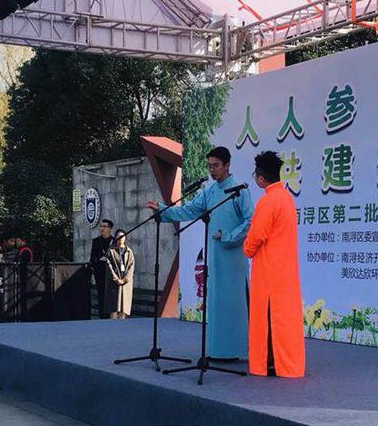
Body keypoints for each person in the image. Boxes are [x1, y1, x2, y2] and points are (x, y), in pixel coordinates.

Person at [148, 145, 254, 360]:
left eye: (216, 165)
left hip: (233, 259)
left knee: (233, 306)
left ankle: (235, 351)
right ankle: (217, 351)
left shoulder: (239, 190)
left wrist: (228, 236)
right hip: (215, 257)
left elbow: (251, 221)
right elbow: (189, 210)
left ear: (227, 165)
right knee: (216, 305)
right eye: (209, 166)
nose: (212, 170)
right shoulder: (210, 191)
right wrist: (163, 209)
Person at [244, 150, 305, 379]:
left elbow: (256, 236)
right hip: (285, 269)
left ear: (261, 178)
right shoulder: (287, 198)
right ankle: (286, 364)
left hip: (268, 269)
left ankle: (267, 363)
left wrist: (247, 249)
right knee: (283, 319)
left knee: (266, 318)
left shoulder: (268, 201)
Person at [105, 230, 135, 319]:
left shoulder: (129, 251)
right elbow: (109, 266)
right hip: (114, 283)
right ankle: (113, 326)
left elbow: (131, 267)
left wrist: (125, 279)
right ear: (115, 238)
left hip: (125, 284)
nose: (120, 238)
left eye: (122, 236)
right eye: (118, 236)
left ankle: (122, 325)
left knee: (123, 307)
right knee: (114, 307)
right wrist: (116, 279)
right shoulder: (111, 251)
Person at [90, 219, 114, 319]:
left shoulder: (114, 241)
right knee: (101, 294)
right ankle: (102, 316)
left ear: (110, 229)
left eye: (105, 226)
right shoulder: (96, 241)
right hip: (100, 272)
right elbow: (92, 258)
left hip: (111, 273)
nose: (102, 228)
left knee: (110, 294)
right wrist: (95, 268)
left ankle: (111, 315)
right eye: (101, 226)